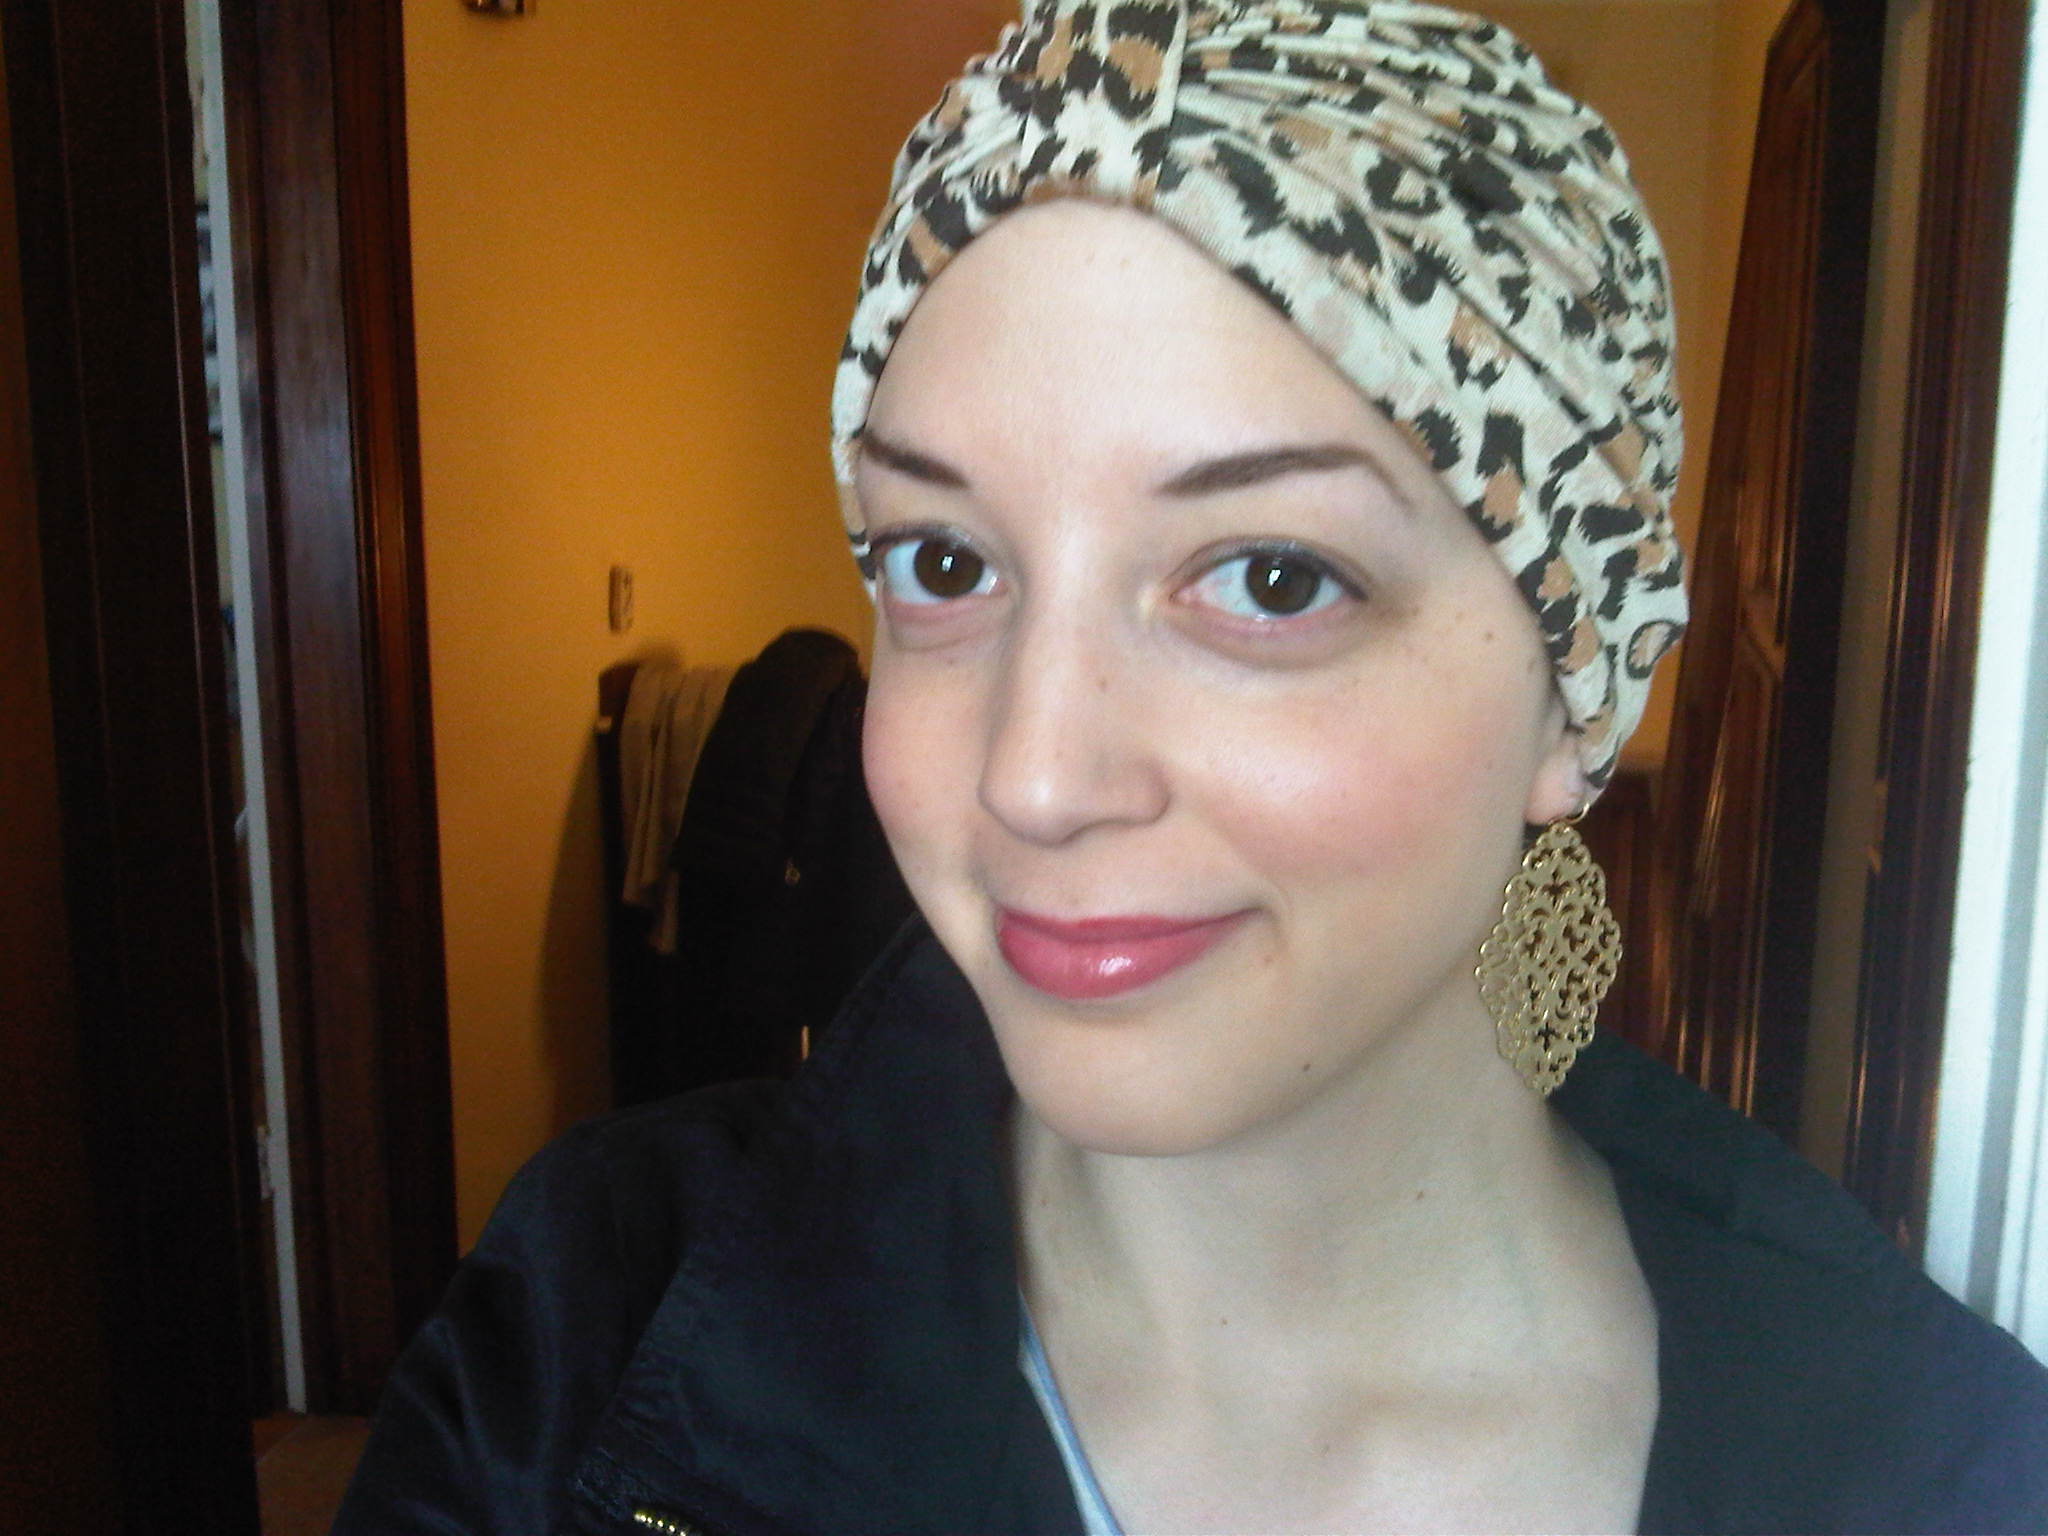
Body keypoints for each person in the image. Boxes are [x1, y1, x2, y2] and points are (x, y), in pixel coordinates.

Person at [335, 4, 2048, 1532]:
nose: (1034, 777)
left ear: (1572, 691)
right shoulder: (580, 1325)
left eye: (1273, 580)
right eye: (943, 562)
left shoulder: (1940, 1472)